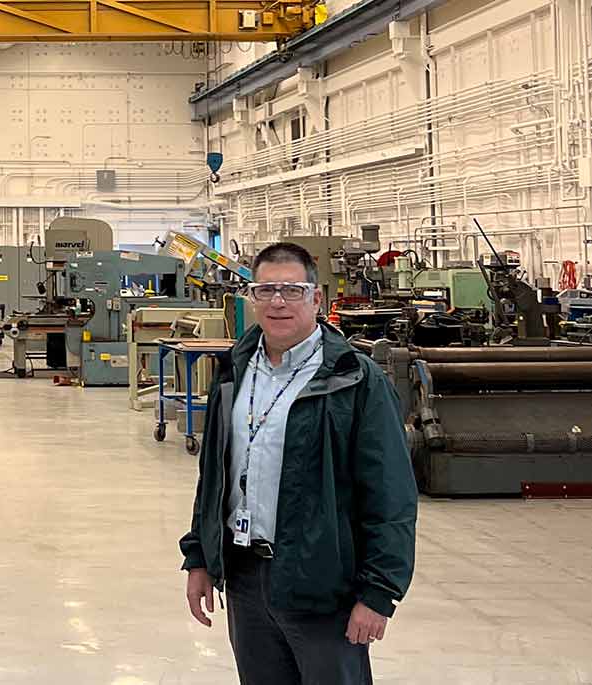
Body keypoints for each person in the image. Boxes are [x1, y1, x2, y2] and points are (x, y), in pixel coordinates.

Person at [179, 242, 418, 685]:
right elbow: (214, 477)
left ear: (316, 298)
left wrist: (379, 592)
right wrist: (200, 557)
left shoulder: (355, 379)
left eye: (292, 290)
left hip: (323, 584)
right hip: (246, 577)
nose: (277, 302)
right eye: (265, 290)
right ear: (251, 298)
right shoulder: (233, 372)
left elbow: (391, 495)